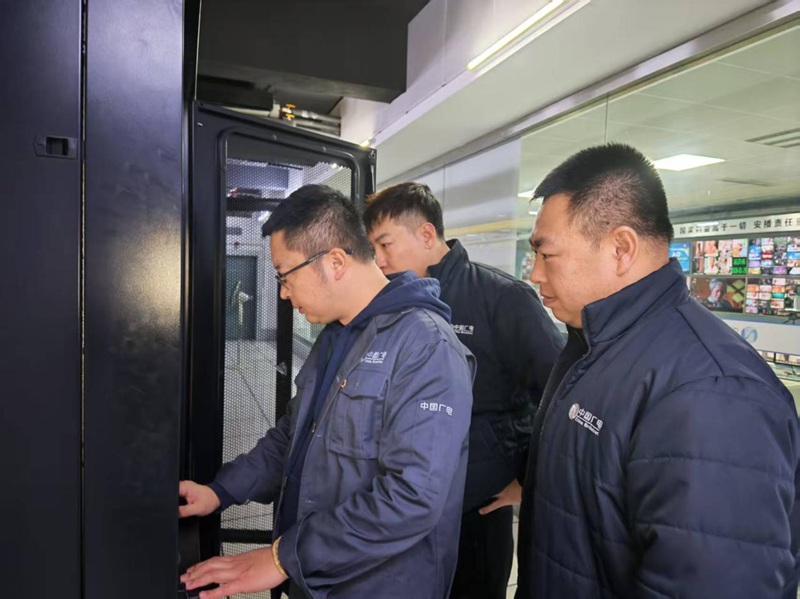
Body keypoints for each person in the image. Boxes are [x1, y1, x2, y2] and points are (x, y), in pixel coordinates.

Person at [515, 142, 800, 598]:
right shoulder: (594, 346)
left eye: (546, 255)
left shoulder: (712, 392)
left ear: (621, 248)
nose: (534, 274)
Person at [179, 185, 475, 599]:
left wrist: (284, 558)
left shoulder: (426, 348)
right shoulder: (338, 336)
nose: (283, 292)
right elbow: (294, 434)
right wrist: (220, 491)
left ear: (335, 261)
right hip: (314, 575)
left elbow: (411, 497)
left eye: (285, 275)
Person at [362, 183, 564, 599]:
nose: (379, 260)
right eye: (373, 249)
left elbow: (558, 391)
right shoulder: (394, 304)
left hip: (476, 503)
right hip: (407, 495)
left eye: (385, 244)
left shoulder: (501, 297)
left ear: (426, 234)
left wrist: (528, 479)